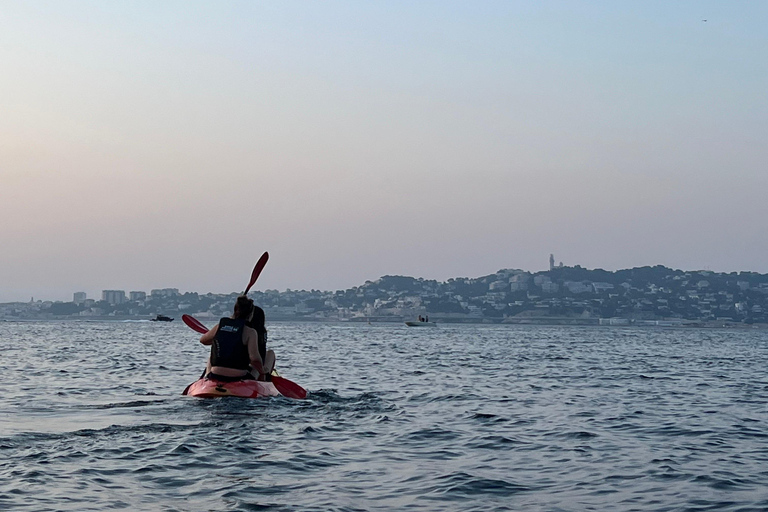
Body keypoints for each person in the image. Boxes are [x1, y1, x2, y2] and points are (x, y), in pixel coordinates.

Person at [199, 295, 272, 381]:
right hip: (239, 377)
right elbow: (254, 359)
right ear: (250, 314)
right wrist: (262, 371)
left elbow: (203, 340)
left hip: (216, 375)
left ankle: (207, 377)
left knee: (211, 357)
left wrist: (222, 338)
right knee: (257, 366)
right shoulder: (250, 332)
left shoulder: (220, 326)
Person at [247, 305, 276, 380]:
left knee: (270, 353)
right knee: (270, 354)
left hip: (248, 366)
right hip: (254, 369)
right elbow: (258, 357)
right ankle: (264, 376)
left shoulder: (243, 330)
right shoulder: (259, 333)